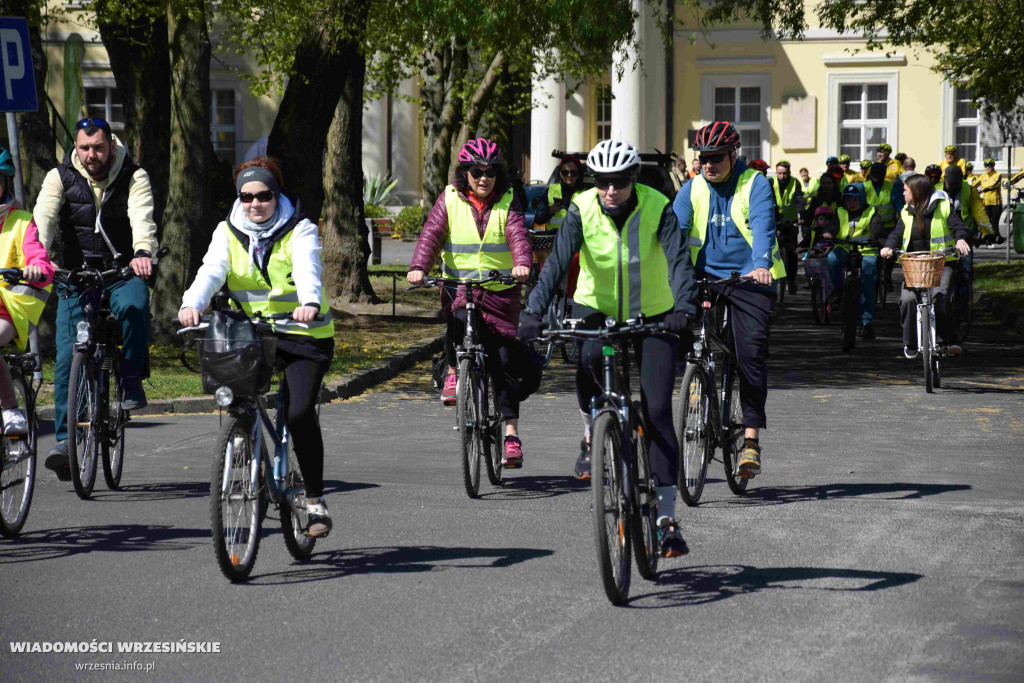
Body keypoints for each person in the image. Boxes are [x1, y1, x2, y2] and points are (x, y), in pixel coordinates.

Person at [521, 138, 694, 558]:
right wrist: (532, 310)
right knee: (588, 362)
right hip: (595, 307)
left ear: (633, 179)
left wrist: (684, 307)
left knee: (655, 410)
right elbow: (559, 261)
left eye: (618, 182)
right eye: (602, 182)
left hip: (654, 312)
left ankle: (666, 518)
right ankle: (591, 431)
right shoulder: (582, 207)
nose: (610, 191)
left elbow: (678, 260)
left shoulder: (658, 206)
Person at [179, 157, 335, 537]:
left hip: (303, 334)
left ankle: (314, 499)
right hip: (251, 334)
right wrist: (192, 303)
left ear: (275, 194)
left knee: (298, 414)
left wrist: (310, 302)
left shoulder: (300, 229)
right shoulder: (227, 231)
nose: (255, 204)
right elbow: (211, 270)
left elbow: (306, 268)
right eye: (246, 196)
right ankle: (246, 453)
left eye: (264, 195)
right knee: (235, 399)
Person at [33, 118, 158, 480]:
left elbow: (142, 218)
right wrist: (39, 259)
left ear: (111, 145)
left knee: (134, 308)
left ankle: (131, 378)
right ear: (77, 146)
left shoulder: (133, 176)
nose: (91, 155)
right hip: (75, 274)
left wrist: (142, 251)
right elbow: (43, 220)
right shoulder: (60, 176)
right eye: (85, 148)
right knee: (69, 352)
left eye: (98, 148)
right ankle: (65, 443)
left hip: (122, 270)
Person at [409, 138, 533, 467]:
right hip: (460, 286)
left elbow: (518, 234)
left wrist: (522, 262)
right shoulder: (449, 198)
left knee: (504, 362)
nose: (483, 178)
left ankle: (510, 434)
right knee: (456, 317)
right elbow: (432, 233)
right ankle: (453, 371)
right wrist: (419, 267)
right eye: (476, 172)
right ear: (465, 173)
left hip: (500, 292)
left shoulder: (508, 200)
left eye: (490, 172)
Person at [673, 121, 785, 482]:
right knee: (672, 330)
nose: (709, 164)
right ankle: (694, 389)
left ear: (733, 154)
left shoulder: (755, 183)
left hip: (749, 279)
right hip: (703, 278)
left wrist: (762, 265)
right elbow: (673, 231)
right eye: (703, 158)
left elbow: (764, 227)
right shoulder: (692, 187)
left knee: (749, 354)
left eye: (716, 157)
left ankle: (750, 440)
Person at [881, 174, 971, 356]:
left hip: (942, 262)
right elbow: (896, 233)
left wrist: (961, 239)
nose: (903, 193)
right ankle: (911, 344)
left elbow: (959, 227)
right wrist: (888, 247)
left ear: (916, 191)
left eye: (905, 190)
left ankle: (948, 340)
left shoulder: (943, 206)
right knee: (907, 300)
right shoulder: (906, 211)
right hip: (915, 265)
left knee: (940, 297)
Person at [0, 148, 55, 435]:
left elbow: (40, 260)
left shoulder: (21, 220)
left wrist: (35, 268)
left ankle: (10, 409)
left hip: (8, 305)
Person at [828, 183, 887, 341]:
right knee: (832, 259)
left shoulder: (871, 212)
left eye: (855, 200)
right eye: (848, 200)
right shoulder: (839, 211)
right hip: (844, 248)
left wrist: (877, 238)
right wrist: (829, 233)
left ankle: (867, 322)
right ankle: (838, 291)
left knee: (867, 279)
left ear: (861, 199)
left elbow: (878, 230)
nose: (851, 203)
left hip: (866, 250)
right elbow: (832, 227)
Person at [942, 165, 990, 265]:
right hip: (944, 235)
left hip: (965, 233)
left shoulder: (969, 190)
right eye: (950, 184)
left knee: (966, 266)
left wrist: (988, 232)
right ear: (944, 179)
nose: (952, 187)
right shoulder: (937, 189)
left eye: (956, 184)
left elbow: (979, 212)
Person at [769, 160, 803, 295]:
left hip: (790, 222)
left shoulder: (795, 182)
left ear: (789, 172)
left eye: (785, 173)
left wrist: (802, 215)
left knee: (791, 252)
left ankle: (791, 280)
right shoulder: (770, 182)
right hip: (775, 222)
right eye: (779, 173)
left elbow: (799, 199)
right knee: (772, 251)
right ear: (776, 173)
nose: (782, 176)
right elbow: (768, 200)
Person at [533, 155, 585, 229]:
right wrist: (550, 211)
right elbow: (538, 220)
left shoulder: (586, 193)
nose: (569, 175)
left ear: (579, 174)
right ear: (560, 174)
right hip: (554, 238)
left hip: (579, 238)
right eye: (565, 172)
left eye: (573, 172)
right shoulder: (550, 191)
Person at [978, 158, 1004, 247]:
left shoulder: (998, 175)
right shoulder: (982, 176)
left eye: (989, 166)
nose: (987, 168)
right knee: (988, 222)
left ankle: (994, 238)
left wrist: (986, 189)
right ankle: (990, 240)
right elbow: (974, 185)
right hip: (986, 203)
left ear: (993, 166)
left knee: (995, 221)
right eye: (986, 166)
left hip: (996, 202)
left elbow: (995, 185)